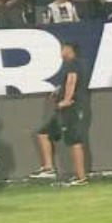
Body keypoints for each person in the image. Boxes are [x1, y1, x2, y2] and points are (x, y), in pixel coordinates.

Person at [32, 40, 90, 186]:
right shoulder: (80, 64)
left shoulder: (73, 64)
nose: (60, 51)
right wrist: (59, 90)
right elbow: (69, 82)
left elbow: (72, 81)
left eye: (62, 48)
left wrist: (66, 100)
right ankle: (49, 168)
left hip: (71, 108)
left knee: (74, 141)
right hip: (67, 109)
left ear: (69, 49)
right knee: (44, 133)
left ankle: (81, 178)